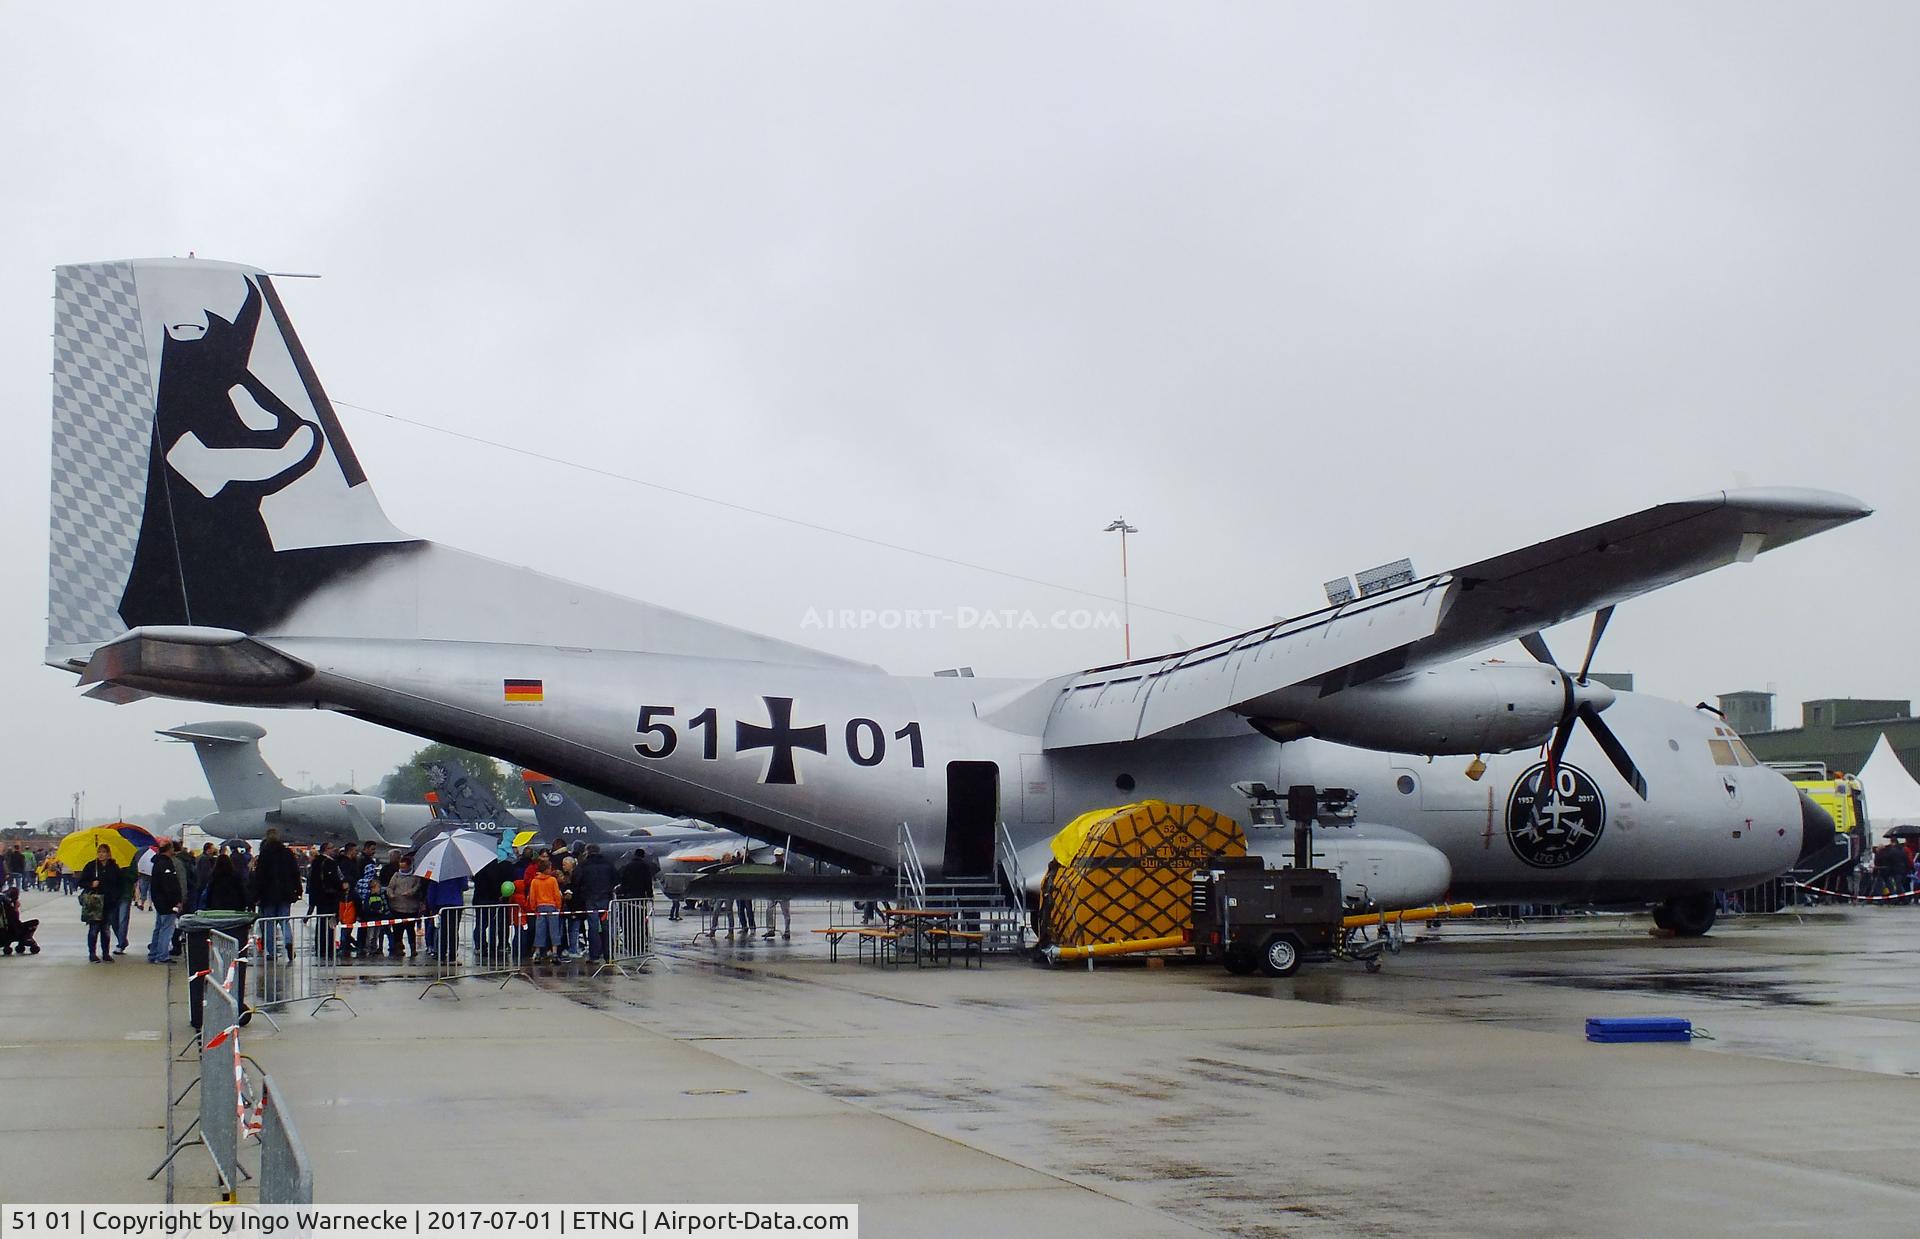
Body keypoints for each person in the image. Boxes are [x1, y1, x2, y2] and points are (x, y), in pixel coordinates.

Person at [249, 829, 303, 961]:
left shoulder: (264, 855)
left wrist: (256, 896)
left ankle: (271, 952)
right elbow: (295, 873)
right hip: (286, 893)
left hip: (268, 895)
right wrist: (298, 890)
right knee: (284, 920)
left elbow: (260, 877)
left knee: (269, 924)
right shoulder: (287, 853)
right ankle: (289, 943)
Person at [573, 844, 617, 961]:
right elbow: (616, 878)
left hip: (590, 898)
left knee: (593, 928)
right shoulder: (608, 863)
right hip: (605, 898)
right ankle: (608, 954)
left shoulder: (584, 865)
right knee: (606, 927)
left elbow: (577, 881)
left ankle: (594, 955)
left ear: (587, 852)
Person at [79, 844, 120, 962]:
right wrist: (91, 884)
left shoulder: (113, 867)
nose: (101, 854)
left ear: (108, 853)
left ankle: (105, 953)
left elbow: (119, 883)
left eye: (103, 852)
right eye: (99, 852)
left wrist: (116, 896)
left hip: (109, 902)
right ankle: (92, 953)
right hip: (95, 902)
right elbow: (81, 882)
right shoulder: (91, 866)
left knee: (106, 929)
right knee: (94, 929)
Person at [306, 842, 346, 961]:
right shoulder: (327, 863)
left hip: (320, 898)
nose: (334, 850)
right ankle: (326, 948)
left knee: (322, 923)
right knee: (328, 923)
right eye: (332, 848)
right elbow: (333, 879)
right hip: (328, 897)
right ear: (326, 850)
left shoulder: (317, 862)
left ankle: (322, 947)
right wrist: (340, 887)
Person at [146, 841, 183, 964]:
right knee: (166, 929)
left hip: (159, 901)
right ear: (169, 849)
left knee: (159, 928)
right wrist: (176, 901)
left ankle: (154, 953)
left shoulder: (157, 863)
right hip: (167, 903)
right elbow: (170, 885)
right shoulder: (166, 864)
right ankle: (162, 955)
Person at [385, 854, 423, 957]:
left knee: (411, 930)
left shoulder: (415, 876)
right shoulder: (396, 875)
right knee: (398, 930)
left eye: (404, 867)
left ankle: (413, 948)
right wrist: (391, 894)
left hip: (411, 908)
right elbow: (390, 887)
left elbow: (417, 887)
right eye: (401, 867)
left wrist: (411, 892)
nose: (402, 869)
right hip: (397, 907)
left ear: (409, 866)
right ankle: (398, 948)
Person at [527, 859, 564, 963]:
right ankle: (555, 953)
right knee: (554, 930)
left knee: (540, 931)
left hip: (540, 907)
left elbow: (532, 896)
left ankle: (538, 952)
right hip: (551, 906)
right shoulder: (552, 880)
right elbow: (557, 894)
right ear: (547, 869)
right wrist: (558, 906)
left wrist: (534, 907)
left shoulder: (535, 881)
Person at [763, 848, 792, 940]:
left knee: (786, 913)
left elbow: (792, 877)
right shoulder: (772, 866)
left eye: (779, 855)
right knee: (769, 910)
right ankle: (770, 930)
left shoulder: (787, 867)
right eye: (776, 856)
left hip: (783, 893)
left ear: (782, 856)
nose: (777, 857)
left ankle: (787, 931)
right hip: (773, 892)